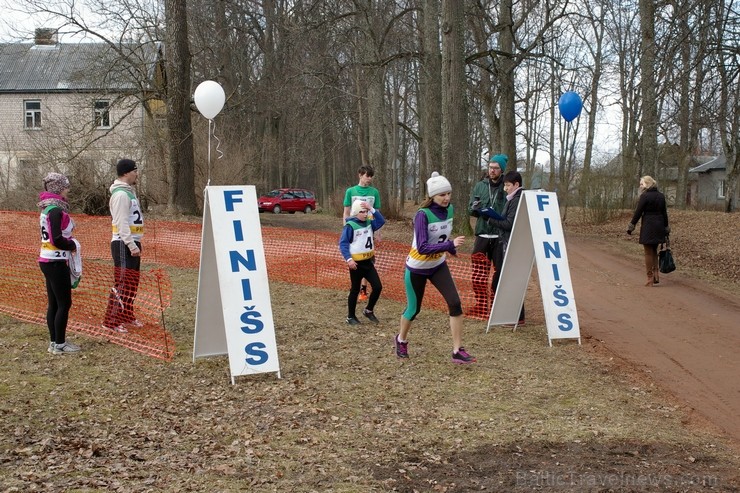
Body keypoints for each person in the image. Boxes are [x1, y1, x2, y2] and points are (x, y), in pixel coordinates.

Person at [395, 172, 476, 364]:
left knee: (455, 303)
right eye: (442, 195)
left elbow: (441, 237)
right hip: (417, 267)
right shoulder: (422, 215)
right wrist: (449, 245)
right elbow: (422, 247)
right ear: (432, 196)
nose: (446, 198)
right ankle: (401, 340)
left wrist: (451, 248)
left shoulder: (450, 210)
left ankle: (457, 350)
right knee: (414, 309)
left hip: (438, 265)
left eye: (448, 193)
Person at [38, 172, 81, 354]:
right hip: (55, 261)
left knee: (54, 303)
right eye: (66, 187)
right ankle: (60, 344)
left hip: (47, 259)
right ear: (59, 188)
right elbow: (57, 239)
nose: (68, 190)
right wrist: (72, 245)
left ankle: (54, 342)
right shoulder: (56, 210)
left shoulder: (47, 208)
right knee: (64, 303)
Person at [102, 159, 144, 333]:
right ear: (126, 173)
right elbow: (121, 222)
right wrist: (131, 244)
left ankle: (126, 315)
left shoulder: (129, 193)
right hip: (122, 243)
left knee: (132, 283)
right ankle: (110, 320)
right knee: (122, 282)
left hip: (132, 241)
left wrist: (137, 242)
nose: (137, 173)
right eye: (134, 170)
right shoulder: (120, 195)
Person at [480, 170, 526, 325]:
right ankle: (516, 316)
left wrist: (490, 220)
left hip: (511, 244)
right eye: (505, 185)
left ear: (516, 185)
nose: (505, 188)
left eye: (507, 185)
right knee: (504, 279)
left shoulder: (517, 200)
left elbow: (509, 224)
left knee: (503, 280)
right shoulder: (513, 199)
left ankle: (515, 316)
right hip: (507, 243)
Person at [468, 153, 507, 316]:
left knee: (500, 272)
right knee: (478, 272)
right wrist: (475, 208)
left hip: (499, 236)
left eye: (496, 168)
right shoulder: (480, 186)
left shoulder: (507, 186)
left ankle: (498, 305)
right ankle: (482, 304)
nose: (492, 171)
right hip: (482, 234)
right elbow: (470, 209)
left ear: (501, 170)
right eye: (490, 167)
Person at [338, 200, 386, 325]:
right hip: (356, 264)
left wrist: (372, 208)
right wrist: (349, 259)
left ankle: (368, 310)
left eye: (366, 212)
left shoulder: (370, 223)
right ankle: (350, 316)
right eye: (362, 212)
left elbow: (381, 221)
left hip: (368, 262)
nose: (365, 214)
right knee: (355, 290)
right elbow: (343, 244)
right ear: (355, 213)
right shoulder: (350, 226)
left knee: (377, 287)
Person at [343, 165, 382, 302]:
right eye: (367, 175)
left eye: (371, 176)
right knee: (357, 258)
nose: (369, 178)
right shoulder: (351, 191)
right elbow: (346, 212)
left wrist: (378, 232)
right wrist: (346, 227)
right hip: (354, 228)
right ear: (360, 175)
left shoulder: (374, 192)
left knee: (368, 259)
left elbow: (377, 213)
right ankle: (356, 287)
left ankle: (363, 289)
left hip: (369, 228)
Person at [627, 175, 669, 286]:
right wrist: (666, 227)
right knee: (654, 250)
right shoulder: (661, 196)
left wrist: (631, 225)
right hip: (659, 225)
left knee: (648, 253)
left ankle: (650, 278)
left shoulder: (644, 196)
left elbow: (638, 212)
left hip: (648, 226)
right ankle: (656, 274)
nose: (640, 186)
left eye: (642, 184)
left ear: (647, 184)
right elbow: (665, 213)